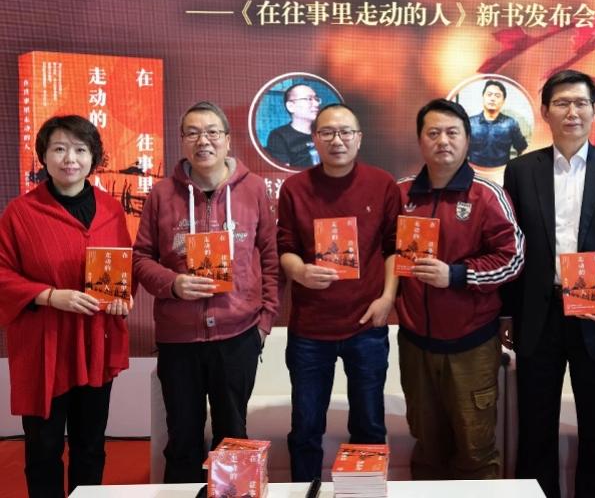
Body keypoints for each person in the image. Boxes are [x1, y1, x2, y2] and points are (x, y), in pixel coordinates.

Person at [501, 69, 595, 498]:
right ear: (545, 111)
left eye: (581, 103)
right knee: (535, 427)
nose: (572, 112)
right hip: (539, 313)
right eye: (562, 103)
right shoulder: (520, 171)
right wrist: (507, 312)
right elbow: (511, 244)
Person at [133, 101, 279, 482]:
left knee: (234, 437)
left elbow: (270, 256)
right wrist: (173, 284)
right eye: (193, 133)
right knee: (182, 439)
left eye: (212, 132)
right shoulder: (161, 194)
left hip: (238, 336)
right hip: (179, 339)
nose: (204, 141)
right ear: (182, 141)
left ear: (228, 140)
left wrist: (264, 323)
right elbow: (141, 258)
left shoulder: (254, 189)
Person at [0, 115, 131, 498]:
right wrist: (48, 295)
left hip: (94, 340)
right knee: (44, 446)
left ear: (93, 158)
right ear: (44, 156)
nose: (69, 159)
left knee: (91, 444)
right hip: (44, 344)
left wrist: (124, 299)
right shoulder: (21, 212)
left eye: (80, 149)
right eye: (59, 149)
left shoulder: (110, 209)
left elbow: (122, 266)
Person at [396, 99, 524, 479]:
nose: (443, 141)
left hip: (472, 346)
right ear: (419, 140)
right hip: (415, 345)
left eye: (452, 133)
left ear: (468, 140)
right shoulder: (402, 194)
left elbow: (512, 259)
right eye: (433, 133)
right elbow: (383, 254)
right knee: (426, 447)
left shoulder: (487, 194)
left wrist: (456, 275)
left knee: (475, 451)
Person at [277, 103, 401, 481]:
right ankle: (306, 490)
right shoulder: (295, 188)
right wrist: (299, 271)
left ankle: (363, 490)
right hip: (310, 328)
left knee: (369, 425)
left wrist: (387, 299)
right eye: (327, 132)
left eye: (346, 132)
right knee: (305, 427)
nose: (337, 140)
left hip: (366, 323)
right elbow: (284, 247)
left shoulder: (382, 184)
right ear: (314, 139)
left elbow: (394, 248)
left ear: (359, 138)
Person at [467, 80, 528, 167]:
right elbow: (460, 151)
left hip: (501, 173)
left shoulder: (511, 123)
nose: (492, 99)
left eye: (497, 96)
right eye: (489, 94)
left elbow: (522, 149)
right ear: (483, 97)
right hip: (474, 172)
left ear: (503, 100)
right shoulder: (470, 123)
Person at [266, 83, 321, 167]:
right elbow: (284, 171)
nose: (316, 104)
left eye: (316, 99)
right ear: (291, 106)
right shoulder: (279, 136)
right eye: (309, 99)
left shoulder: (325, 132)